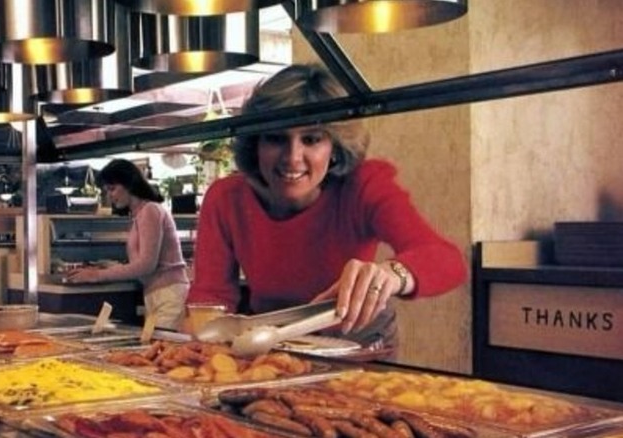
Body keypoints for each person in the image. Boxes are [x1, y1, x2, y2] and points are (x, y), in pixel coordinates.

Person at [186, 64, 467, 351]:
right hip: (268, 340)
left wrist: (392, 274)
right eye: (275, 138)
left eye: (311, 139)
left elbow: (446, 260)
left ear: (335, 146)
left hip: (355, 341)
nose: (293, 158)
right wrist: (204, 349)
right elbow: (210, 295)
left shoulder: (364, 184)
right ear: (255, 144)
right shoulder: (226, 197)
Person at [65, 160, 190, 331]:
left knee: (162, 351)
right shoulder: (141, 214)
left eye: (112, 188)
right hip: (160, 294)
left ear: (129, 184)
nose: (110, 196)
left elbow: (146, 265)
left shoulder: (150, 210)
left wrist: (97, 274)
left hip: (168, 295)